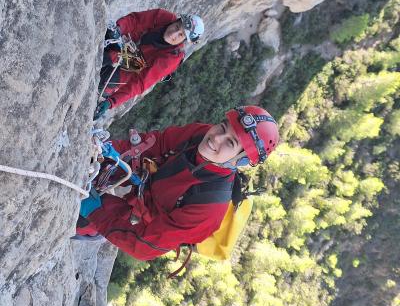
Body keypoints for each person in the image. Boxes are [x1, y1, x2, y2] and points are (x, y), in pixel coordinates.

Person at [77, 105, 279, 261]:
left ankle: (90, 230)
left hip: (148, 216)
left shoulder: (208, 210)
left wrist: (98, 212)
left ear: (240, 161)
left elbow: (144, 246)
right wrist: (108, 154)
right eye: (222, 127)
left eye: (230, 143)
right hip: (148, 183)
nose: (216, 138)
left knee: (80, 217)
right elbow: (158, 143)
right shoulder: (199, 135)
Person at [94, 9, 204, 119]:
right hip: (127, 44)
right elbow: (135, 20)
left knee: (107, 77)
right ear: (176, 21)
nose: (173, 34)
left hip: (135, 68)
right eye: (176, 27)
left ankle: (103, 86)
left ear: (184, 40)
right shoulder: (163, 17)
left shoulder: (171, 58)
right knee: (111, 36)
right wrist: (119, 28)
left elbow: (140, 83)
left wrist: (111, 102)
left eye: (180, 35)